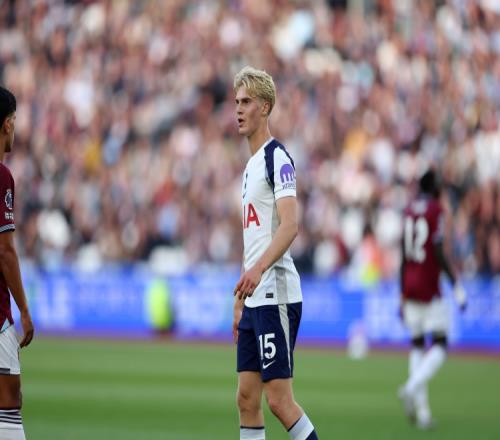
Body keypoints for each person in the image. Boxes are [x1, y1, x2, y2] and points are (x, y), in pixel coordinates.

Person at [232, 66, 318, 440]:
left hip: (276, 293)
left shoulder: (276, 157)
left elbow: (290, 225)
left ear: (265, 107)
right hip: (254, 299)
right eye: (236, 102)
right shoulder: (250, 167)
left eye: (246, 102)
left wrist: (257, 271)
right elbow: (252, 238)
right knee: (246, 399)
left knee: (280, 401)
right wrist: (240, 300)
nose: (238, 109)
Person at [398, 169, 467, 430]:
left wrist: (401, 292)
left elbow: (403, 256)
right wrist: (456, 286)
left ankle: (423, 413)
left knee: (417, 345)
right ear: (434, 187)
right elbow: (438, 251)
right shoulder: (436, 209)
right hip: (428, 285)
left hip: (409, 284)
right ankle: (410, 387)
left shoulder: (408, 210)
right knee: (440, 343)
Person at [0, 86, 34, 440]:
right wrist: (23, 309)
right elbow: (5, 251)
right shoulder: (2, 176)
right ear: (7, 124)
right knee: (10, 401)